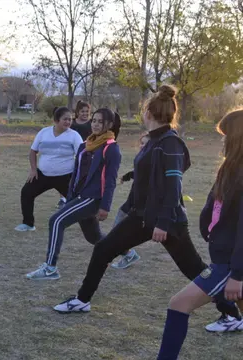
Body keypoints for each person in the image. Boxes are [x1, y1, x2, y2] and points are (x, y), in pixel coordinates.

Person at [52, 85, 241, 326]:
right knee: (103, 250)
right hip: (142, 216)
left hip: (167, 220)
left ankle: (232, 314)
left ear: (148, 113)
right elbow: (152, 174)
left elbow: (173, 185)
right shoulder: (154, 140)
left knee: (193, 269)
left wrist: (163, 223)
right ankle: (82, 300)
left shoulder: (169, 142)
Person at [156, 110, 243, 359]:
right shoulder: (230, 168)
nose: (222, 142)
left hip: (230, 264)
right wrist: (208, 227)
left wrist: (237, 274)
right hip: (224, 258)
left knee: (178, 304)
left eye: (226, 136)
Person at [26, 108, 121, 280]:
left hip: (92, 198)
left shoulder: (111, 148)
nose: (96, 124)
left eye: (100, 121)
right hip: (79, 196)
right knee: (94, 237)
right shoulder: (85, 145)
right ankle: (126, 251)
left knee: (56, 220)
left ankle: (50, 268)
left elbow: (110, 181)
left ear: (109, 125)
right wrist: (70, 197)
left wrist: (105, 206)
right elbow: (76, 173)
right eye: (94, 121)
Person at [15, 107, 83, 232]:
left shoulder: (74, 136)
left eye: (70, 119)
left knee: (78, 201)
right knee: (26, 192)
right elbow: (33, 152)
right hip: (42, 174)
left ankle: (88, 226)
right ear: (56, 120)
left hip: (65, 176)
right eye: (65, 119)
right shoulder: (44, 132)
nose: (68, 122)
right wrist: (33, 170)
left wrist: (79, 175)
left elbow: (82, 155)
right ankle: (28, 224)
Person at [109, 133, 150, 270]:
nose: (142, 145)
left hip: (136, 206)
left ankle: (129, 254)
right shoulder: (142, 160)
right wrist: (127, 176)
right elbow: (137, 173)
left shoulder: (152, 163)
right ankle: (128, 254)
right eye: (142, 143)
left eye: (146, 143)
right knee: (116, 233)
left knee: (116, 234)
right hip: (131, 203)